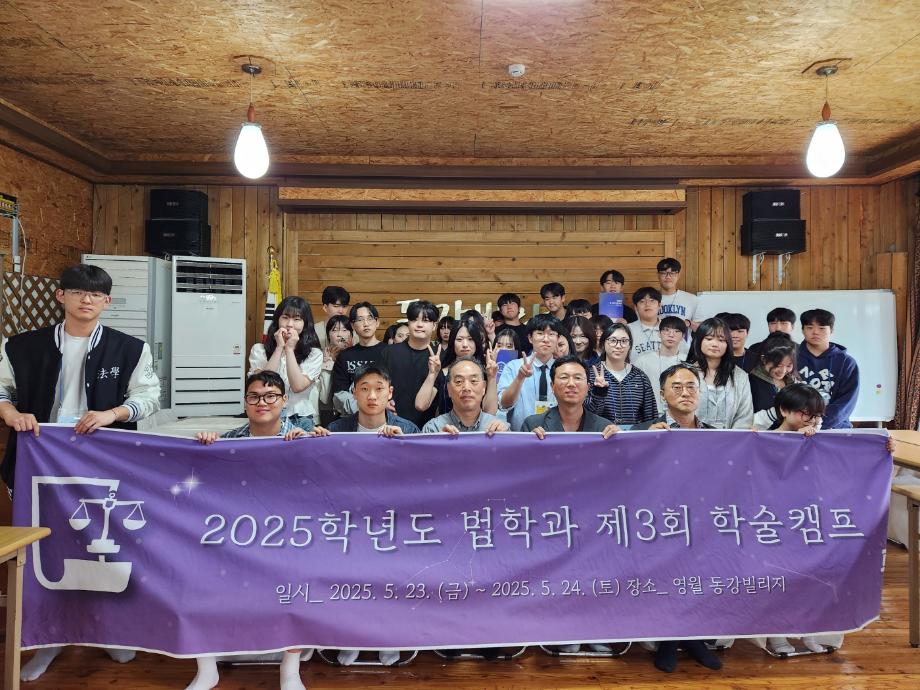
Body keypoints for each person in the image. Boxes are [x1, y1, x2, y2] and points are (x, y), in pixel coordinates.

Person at [0, 263, 161, 682]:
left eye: (95, 294)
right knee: (45, 549)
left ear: (107, 301)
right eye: (77, 292)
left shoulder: (129, 348)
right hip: (40, 460)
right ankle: (47, 639)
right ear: (61, 296)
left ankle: (108, 630)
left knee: (104, 545)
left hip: (104, 462)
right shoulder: (23, 346)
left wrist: (112, 413)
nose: (86, 300)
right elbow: (2, 391)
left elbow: (149, 398)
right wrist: (12, 415)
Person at [191, 371, 313, 690]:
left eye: (271, 396)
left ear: (284, 401)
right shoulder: (229, 441)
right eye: (254, 396)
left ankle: (290, 671)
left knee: (299, 586)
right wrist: (206, 448)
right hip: (236, 534)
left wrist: (311, 447)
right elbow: (202, 484)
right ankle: (206, 669)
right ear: (245, 402)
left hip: (288, 535)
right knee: (196, 577)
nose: (262, 402)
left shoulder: (301, 437)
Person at [632, 363, 722, 672]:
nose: (685, 393)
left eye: (691, 386)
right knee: (668, 580)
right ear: (662, 394)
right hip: (660, 521)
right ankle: (668, 640)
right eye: (677, 387)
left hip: (702, 521)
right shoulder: (645, 431)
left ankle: (695, 639)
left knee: (699, 580)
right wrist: (644, 442)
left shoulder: (716, 435)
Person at [326, 364, 416, 666]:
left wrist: (402, 446)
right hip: (349, 519)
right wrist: (316, 441)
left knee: (390, 581)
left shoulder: (407, 428)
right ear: (354, 393)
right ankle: (351, 638)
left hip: (394, 521)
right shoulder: (337, 428)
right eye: (364, 389)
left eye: (379, 388)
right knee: (351, 581)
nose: (372, 395)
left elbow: (421, 476)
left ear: (390, 392)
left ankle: (388, 638)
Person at [249, 296, 323, 430]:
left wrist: (289, 349)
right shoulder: (259, 350)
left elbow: (297, 386)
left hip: (300, 418)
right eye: (285, 317)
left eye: (297, 319)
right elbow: (262, 384)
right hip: (266, 415)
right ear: (277, 320)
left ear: (305, 323)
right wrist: (279, 348)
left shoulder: (314, 354)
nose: (289, 324)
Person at [415, 317, 498, 415]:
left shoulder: (486, 371)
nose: (465, 344)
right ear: (452, 342)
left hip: (477, 425)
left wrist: (491, 377)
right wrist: (432, 374)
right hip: (446, 424)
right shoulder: (442, 371)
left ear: (477, 342)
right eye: (459, 339)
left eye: (470, 339)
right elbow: (421, 405)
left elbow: (490, 412)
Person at [378, 300, 442, 428]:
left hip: (425, 428)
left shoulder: (439, 357)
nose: (419, 325)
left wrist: (433, 372)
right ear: (408, 323)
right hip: (389, 424)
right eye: (414, 320)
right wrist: (383, 402)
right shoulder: (389, 352)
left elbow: (423, 405)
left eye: (425, 320)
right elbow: (376, 384)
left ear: (434, 325)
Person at [522, 355, 619, 437]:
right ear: (552, 386)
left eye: (578, 378)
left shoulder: (604, 428)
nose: (571, 384)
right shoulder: (533, 425)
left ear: (587, 387)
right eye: (564, 377)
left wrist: (620, 438)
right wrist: (531, 443)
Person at [497, 314, 563, 431]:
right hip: (521, 436)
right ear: (530, 338)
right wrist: (520, 378)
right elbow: (504, 404)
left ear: (558, 339)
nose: (546, 339)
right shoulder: (514, 366)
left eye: (551, 334)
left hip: (555, 435)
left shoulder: (562, 369)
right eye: (540, 333)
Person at [685, 317, 754, 429]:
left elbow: (744, 416)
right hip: (689, 437)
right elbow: (674, 410)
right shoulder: (683, 373)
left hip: (731, 439)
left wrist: (733, 438)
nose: (715, 344)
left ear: (728, 344)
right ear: (699, 341)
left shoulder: (740, 376)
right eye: (709, 339)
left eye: (721, 340)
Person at [797, 308, 859, 429]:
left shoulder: (846, 362)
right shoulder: (791, 358)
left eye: (821, 328)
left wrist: (818, 424)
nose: (815, 332)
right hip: (797, 427)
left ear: (831, 330)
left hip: (835, 428)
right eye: (809, 327)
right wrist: (799, 423)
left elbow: (846, 403)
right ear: (803, 330)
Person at [586, 323, 657, 428]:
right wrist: (599, 392)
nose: (618, 346)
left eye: (624, 341)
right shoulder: (591, 374)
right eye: (613, 340)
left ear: (630, 346)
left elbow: (650, 418)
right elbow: (588, 416)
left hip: (633, 435)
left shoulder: (640, 377)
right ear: (603, 344)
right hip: (601, 434)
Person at [422, 357, 508, 434]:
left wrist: (504, 438)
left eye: (473, 381)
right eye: (459, 381)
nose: (466, 388)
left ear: (483, 388)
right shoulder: (434, 429)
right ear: (449, 389)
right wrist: (438, 442)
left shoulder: (499, 429)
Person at [331, 302, 387, 400]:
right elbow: (339, 393)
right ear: (352, 325)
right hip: (353, 407)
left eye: (370, 318)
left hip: (384, 407)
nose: (366, 324)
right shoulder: (345, 356)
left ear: (377, 322)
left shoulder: (390, 352)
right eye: (360, 319)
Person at [633, 316, 688, 415]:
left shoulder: (688, 362)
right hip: (650, 415)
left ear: (683, 336)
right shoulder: (642, 361)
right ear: (659, 333)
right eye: (666, 330)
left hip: (680, 414)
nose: (671, 335)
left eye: (676, 331)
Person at [748, 333, 798, 427]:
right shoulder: (750, 382)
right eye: (778, 365)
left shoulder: (794, 382)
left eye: (788, 366)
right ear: (764, 359)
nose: (783, 371)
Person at [316, 315, 353, 426]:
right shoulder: (319, 356)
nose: (339, 334)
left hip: (352, 408)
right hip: (327, 409)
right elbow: (324, 397)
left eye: (344, 330)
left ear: (351, 334)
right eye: (334, 330)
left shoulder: (356, 354)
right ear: (328, 334)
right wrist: (329, 362)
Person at [656, 258, 699, 330]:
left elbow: (703, 328)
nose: (668, 277)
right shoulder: (650, 300)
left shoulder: (692, 299)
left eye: (672, 273)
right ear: (658, 275)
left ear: (678, 275)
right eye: (663, 273)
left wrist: (689, 323)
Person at [314, 285, 350, 350]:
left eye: (344, 306)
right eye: (336, 306)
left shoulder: (353, 331)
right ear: (325, 308)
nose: (341, 311)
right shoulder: (314, 331)